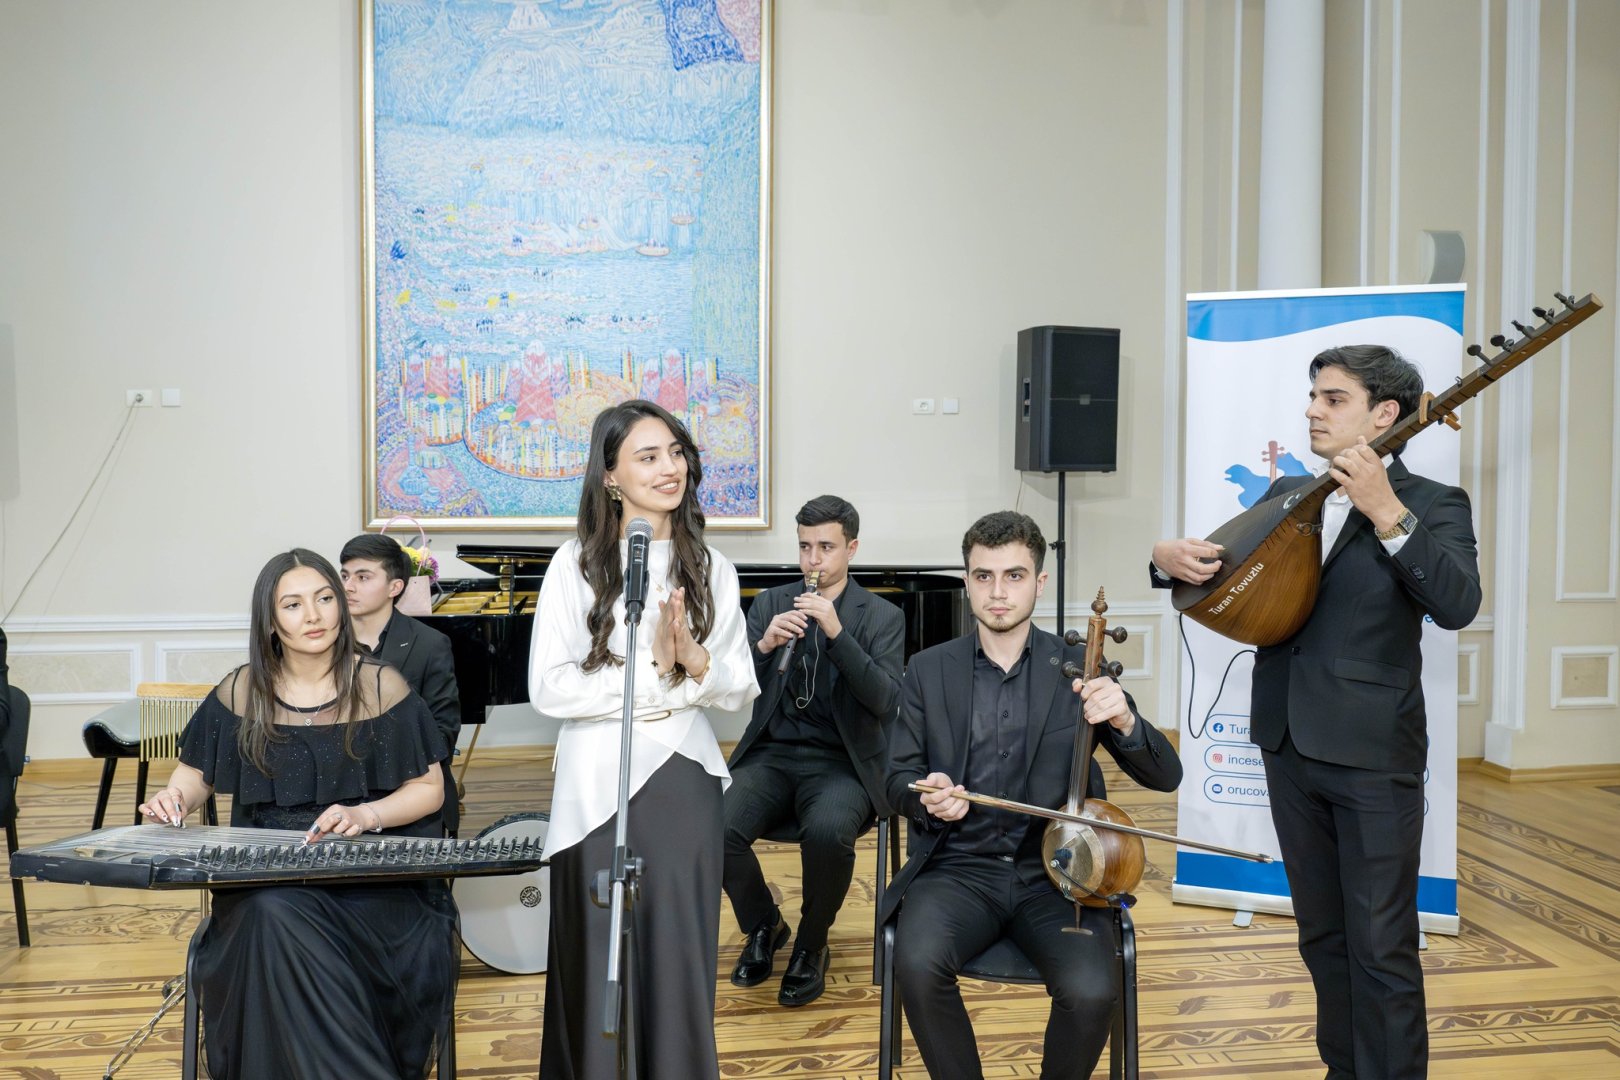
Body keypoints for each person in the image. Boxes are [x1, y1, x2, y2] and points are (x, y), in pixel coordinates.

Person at [1152, 344, 1481, 1080]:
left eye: (1332, 399)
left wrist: (1386, 511)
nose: (1311, 410)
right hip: (1287, 743)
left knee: (1382, 944)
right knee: (1322, 936)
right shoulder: (1289, 491)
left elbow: (1459, 603)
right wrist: (1163, 557)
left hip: (1373, 755)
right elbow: (1217, 567)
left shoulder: (1432, 503)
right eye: (1313, 396)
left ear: (1384, 414)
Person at [137, 549, 456, 1080]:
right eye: (293, 604)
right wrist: (174, 798)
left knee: (278, 917)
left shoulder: (382, 686)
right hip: (266, 880)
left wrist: (366, 815)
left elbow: (429, 788)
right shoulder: (240, 691)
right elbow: (194, 775)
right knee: (272, 911)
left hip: (372, 884)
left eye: (325, 598)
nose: (314, 615)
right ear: (270, 620)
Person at [883, 511, 1182, 1080]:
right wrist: (928, 797)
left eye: (1014, 576)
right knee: (916, 966)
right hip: (956, 870)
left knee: (1092, 991)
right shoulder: (927, 670)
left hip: (1058, 875)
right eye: (984, 576)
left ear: (1039, 583)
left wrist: (1124, 720)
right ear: (967, 580)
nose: (998, 592)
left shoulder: (1080, 668)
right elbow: (896, 779)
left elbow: (1166, 777)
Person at [528, 399, 758, 1080]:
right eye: (648, 456)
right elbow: (549, 687)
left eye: (676, 453)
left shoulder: (711, 567)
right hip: (594, 784)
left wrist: (693, 662)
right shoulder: (573, 565)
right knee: (595, 947)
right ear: (609, 476)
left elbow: (739, 687)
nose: (669, 468)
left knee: (677, 951)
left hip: (683, 775)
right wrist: (663, 675)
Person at [722, 494, 904, 1006]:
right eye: (805, 547)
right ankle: (764, 924)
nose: (813, 560)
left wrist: (838, 634)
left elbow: (885, 700)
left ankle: (811, 942)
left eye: (826, 547)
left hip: (844, 762)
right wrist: (763, 648)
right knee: (716, 829)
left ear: (852, 549)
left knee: (826, 833)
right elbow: (735, 687)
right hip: (773, 754)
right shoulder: (769, 604)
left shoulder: (882, 615)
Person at [340, 532, 463, 834]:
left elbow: (443, 736)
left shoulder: (430, 644)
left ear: (394, 587)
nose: (348, 586)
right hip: (338, 789)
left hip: (410, 789)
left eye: (362, 577)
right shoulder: (325, 642)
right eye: (344, 575)